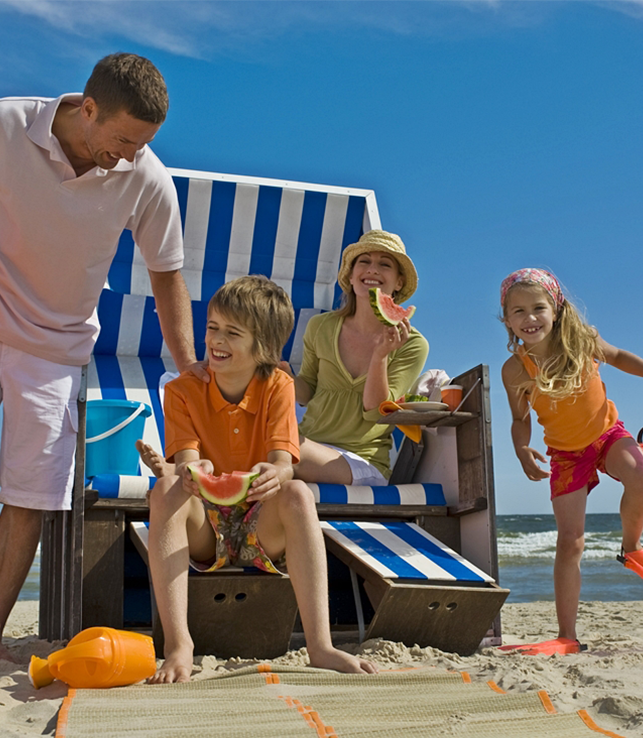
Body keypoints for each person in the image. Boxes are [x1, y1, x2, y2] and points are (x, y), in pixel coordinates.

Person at [0, 53, 200, 661]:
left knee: (32, 493)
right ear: (87, 108)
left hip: (57, 346)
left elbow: (168, 275)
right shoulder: (4, 123)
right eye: (122, 139)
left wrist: (187, 364)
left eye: (143, 143)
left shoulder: (148, 180)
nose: (131, 153)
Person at [142, 276, 378, 683]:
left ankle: (320, 646)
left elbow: (283, 463)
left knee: (298, 492)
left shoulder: (278, 385)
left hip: (261, 528)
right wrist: (189, 472)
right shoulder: (182, 390)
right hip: (206, 529)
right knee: (165, 488)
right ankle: (179, 645)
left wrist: (276, 473)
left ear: (264, 348)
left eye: (233, 333)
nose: (216, 339)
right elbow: (188, 462)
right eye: (213, 327)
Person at [499, 268, 643, 648]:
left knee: (638, 471)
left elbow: (618, 357)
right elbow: (520, 418)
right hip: (565, 454)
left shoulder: (583, 341)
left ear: (557, 309)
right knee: (570, 542)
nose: (529, 319)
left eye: (537, 308)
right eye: (518, 312)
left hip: (606, 435)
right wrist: (520, 449)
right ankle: (567, 635)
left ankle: (631, 547)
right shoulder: (515, 370)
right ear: (507, 319)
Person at [288, 230, 429, 486]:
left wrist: (380, 356)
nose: (373, 269)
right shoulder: (320, 326)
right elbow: (307, 392)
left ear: (398, 282)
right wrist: (283, 376)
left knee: (283, 454)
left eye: (385, 264)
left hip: (362, 461)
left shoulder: (413, 344)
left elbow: (376, 412)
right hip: (308, 445)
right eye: (364, 261)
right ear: (351, 277)